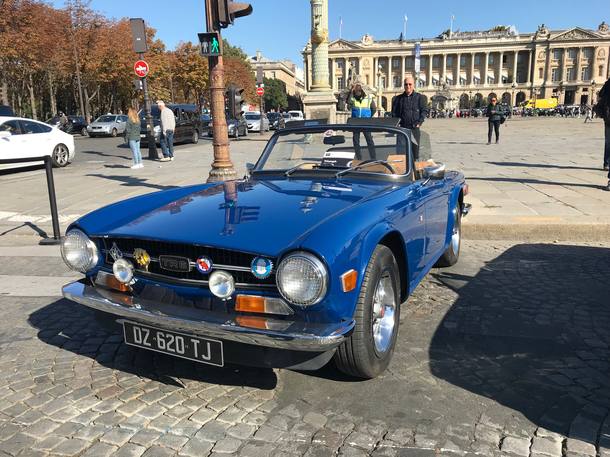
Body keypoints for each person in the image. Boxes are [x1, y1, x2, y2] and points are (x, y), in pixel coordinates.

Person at [392, 76, 429, 160]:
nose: (408, 86)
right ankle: (403, 170)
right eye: (406, 84)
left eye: (410, 84)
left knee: (414, 151)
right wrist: (396, 124)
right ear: (403, 85)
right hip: (402, 128)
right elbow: (394, 113)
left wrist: (420, 122)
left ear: (413, 85)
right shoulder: (398, 99)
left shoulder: (420, 97)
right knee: (401, 151)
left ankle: (414, 169)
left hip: (414, 128)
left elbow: (424, 110)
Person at [347, 83, 377, 159]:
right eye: (356, 92)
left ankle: (373, 157)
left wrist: (368, 117)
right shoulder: (353, 97)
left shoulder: (369, 97)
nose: (357, 93)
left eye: (359, 91)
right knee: (356, 141)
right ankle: (359, 158)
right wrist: (351, 92)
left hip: (365, 122)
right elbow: (348, 106)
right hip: (355, 122)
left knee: (369, 140)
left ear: (362, 91)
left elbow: (374, 109)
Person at [595, 79, 610, 190]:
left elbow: (600, 95)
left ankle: (607, 163)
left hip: (608, 119)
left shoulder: (608, 83)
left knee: (608, 144)